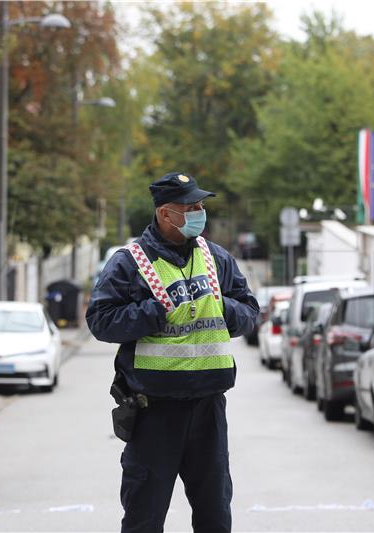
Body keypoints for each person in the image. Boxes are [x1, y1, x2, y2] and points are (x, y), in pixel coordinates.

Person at [86, 171, 259, 533]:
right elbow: (100, 320)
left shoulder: (216, 259)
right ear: (165, 214)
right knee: (144, 519)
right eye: (190, 207)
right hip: (154, 413)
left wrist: (224, 309)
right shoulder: (130, 262)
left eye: (200, 206)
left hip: (208, 409)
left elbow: (250, 312)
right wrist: (151, 313)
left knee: (215, 517)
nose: (199, 213)